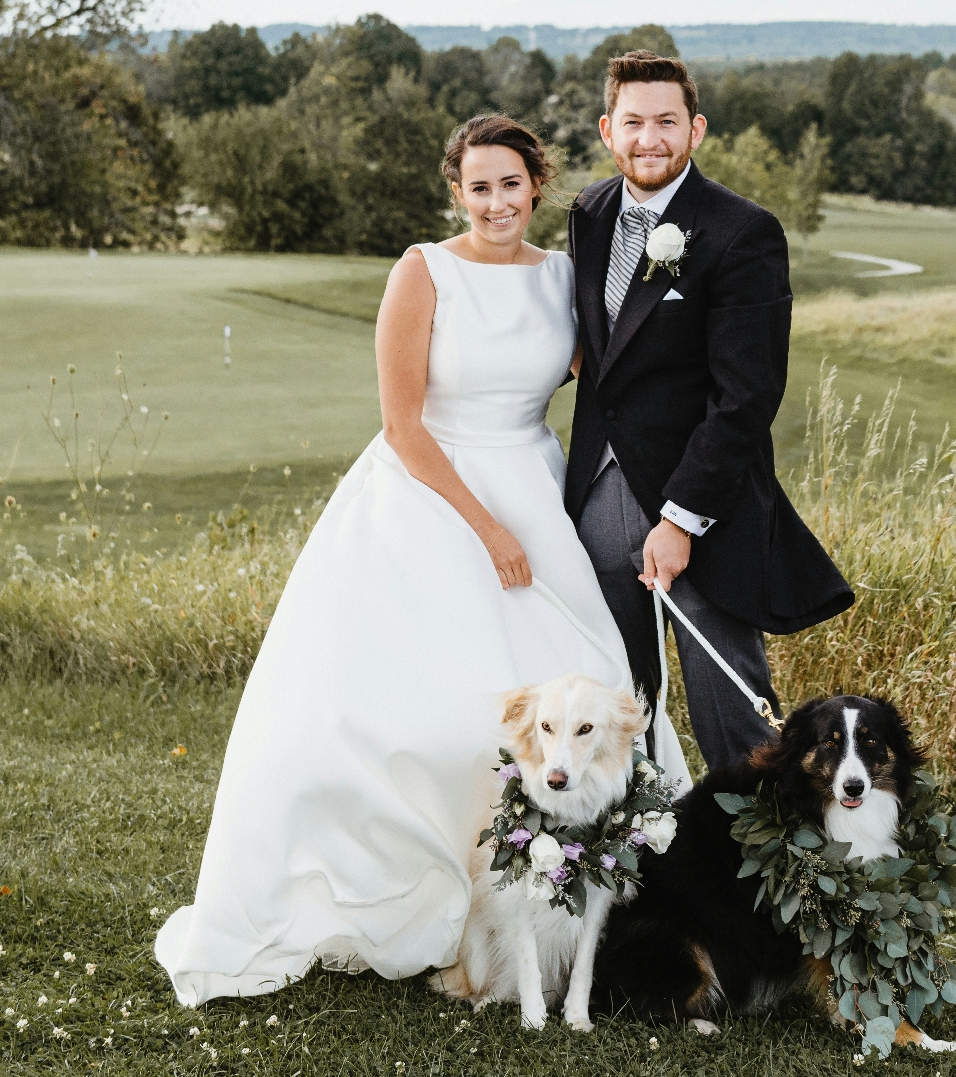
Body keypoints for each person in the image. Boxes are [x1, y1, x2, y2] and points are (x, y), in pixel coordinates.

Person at [155, 116, 690, 1008]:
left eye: (510, 186)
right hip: (427, 498)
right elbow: (404, 424)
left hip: (533, 485)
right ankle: (432, 905)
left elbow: (611, 370)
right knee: (414, 713)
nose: (495, 203)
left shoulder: (561, 275)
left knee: (580, 689)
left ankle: (584, 905)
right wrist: (488, 530)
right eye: (478, 188)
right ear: (457, 193)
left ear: (536, 186)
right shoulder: (422, 270)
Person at [568, 51, 854, 774]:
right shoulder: (589, 214)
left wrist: (681, 518)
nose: (649, 138)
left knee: (734, 716)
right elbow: (602, 352)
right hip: (597, 497)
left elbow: (747, 394)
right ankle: (635, 866)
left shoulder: (742, 230)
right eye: (633, 122)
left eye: (666, 121)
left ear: (695, 129)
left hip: (703, 510)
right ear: (608, 130)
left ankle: (770, 871)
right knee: (617, 709)